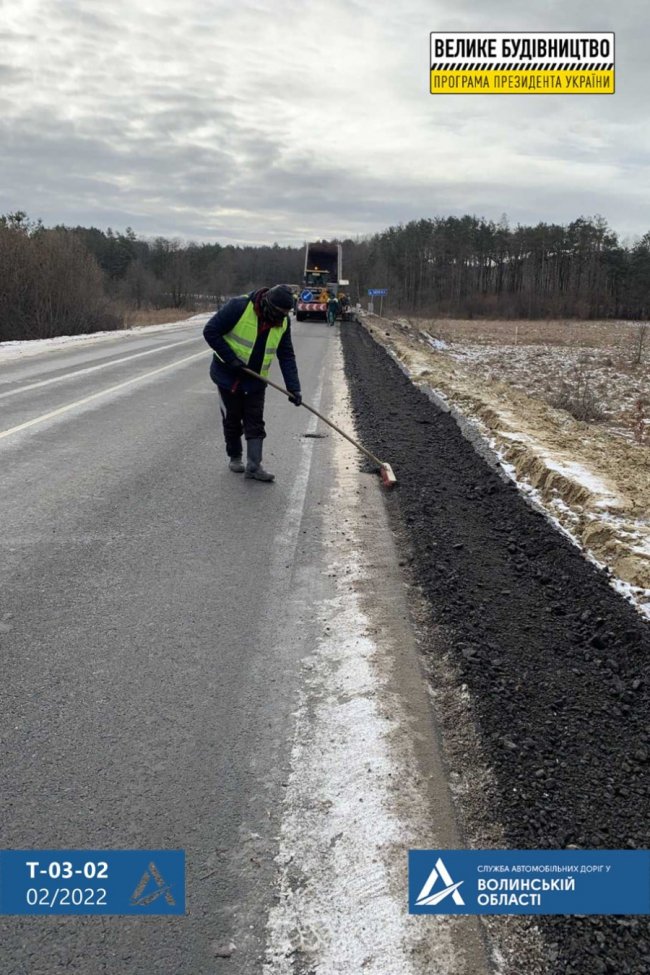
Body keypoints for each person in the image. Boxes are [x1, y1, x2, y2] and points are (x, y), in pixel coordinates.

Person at [203, 284, 302, 482]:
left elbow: (286, 355)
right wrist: (231, 359)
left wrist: (294, 387)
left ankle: (254, 466)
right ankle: (235, 456)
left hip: (256, 380)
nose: (283, 318)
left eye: (286, 314)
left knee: (255, 421)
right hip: (227, 376)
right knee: (232, 419)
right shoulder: (239, 307)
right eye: (280, 313)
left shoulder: (283, 322)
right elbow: (210, 331)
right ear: (268, 306)